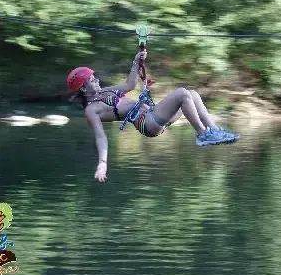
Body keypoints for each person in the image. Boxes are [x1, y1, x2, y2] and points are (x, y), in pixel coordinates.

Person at [67, 50, 239, 182]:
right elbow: (101, 137)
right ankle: (202, 134)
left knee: (192, 94)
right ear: (82, 88)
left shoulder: (104, 91)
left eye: (94, 77)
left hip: (151, 114)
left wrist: (136, 61)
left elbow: (130, 84)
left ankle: (214, 131)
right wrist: (102, 163)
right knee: (182, 94)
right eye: (91, 80)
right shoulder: (91, 110)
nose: (96, 80)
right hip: (147, 122)